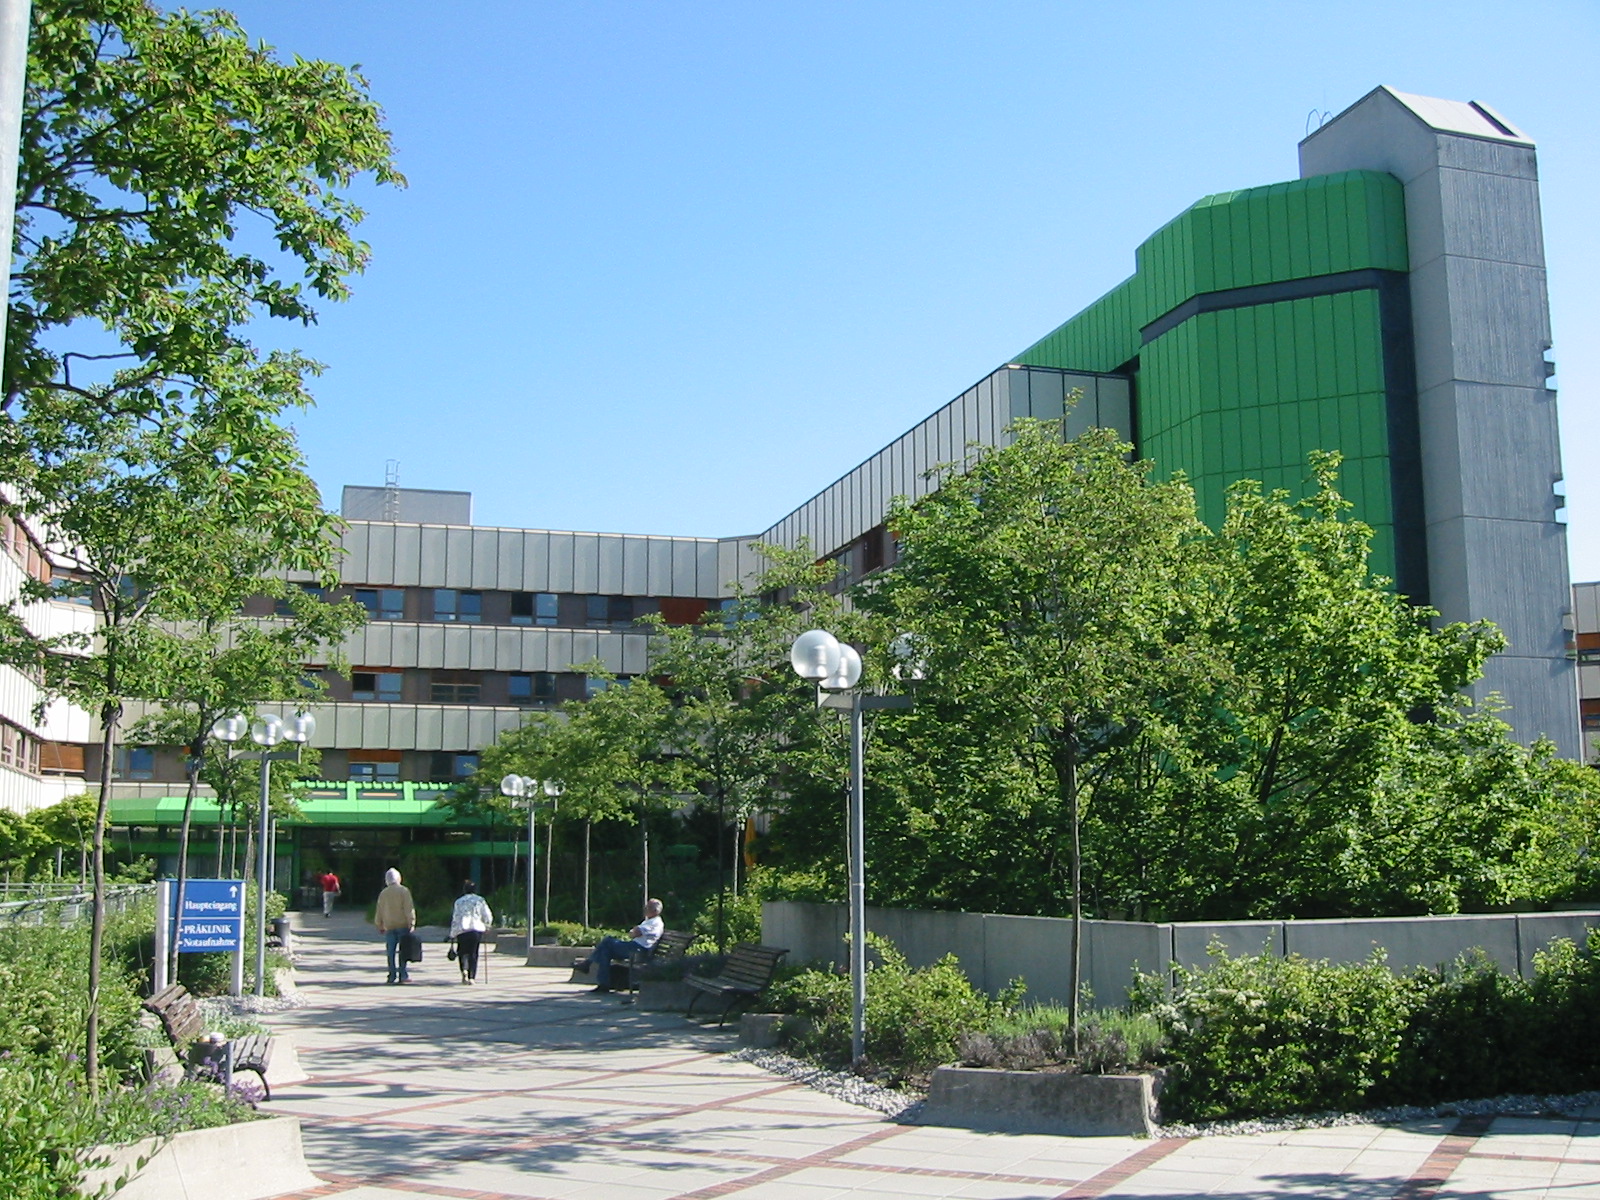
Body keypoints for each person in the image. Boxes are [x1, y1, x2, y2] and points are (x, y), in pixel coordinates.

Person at [580, 899, 663, 992]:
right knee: (605, 952)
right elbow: (634, 932)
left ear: (655, 911)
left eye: (647, 907)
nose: (645, 909)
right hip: (635, 947)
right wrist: (634, 931)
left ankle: (588, 964)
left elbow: (635, 932)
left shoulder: (655, 922)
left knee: (608, 941)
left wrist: (635, 931)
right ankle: (603, 985)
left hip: (638, 950)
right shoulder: (649, 921)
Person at [374, 867, 416, 984]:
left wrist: (379, 924)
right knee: (403, 951)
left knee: (390, 952)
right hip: (402, 925)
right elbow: (409, 908)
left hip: (389, 926)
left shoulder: (383, 893)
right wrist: (411, 922)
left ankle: (391, 975)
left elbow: (379, 909)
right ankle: (403, 975)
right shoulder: (404, 891)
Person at [449, 879, 493, 985]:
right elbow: (487, 915)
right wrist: (487, 925)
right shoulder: (480, 900)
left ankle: (463, 970)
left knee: (462, 952)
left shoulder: (458, 902)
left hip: (462, 929)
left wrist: (452, 934)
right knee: (473, 953)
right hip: (475, 929)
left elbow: (456, 917)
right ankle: (471, 976)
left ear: (464, 890)